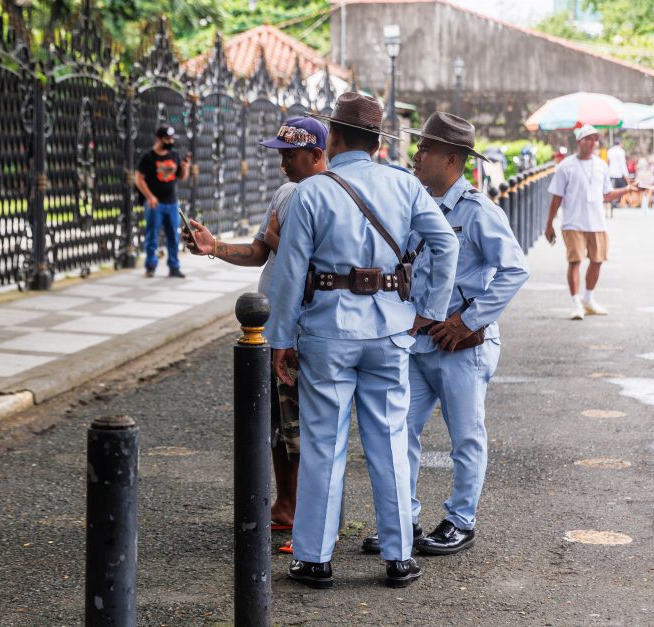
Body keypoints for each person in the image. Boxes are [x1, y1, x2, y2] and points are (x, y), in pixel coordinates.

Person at [267, 92, 459, 589]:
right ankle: (398, 557)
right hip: (390, 330)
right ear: (377, 141)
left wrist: (281, 339)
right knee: (391, 441)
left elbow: (289, 273)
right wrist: (429, 312)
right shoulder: (404, 185)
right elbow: (446, 242)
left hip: (328, 330)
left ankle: (314, 558)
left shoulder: (313, 191)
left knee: (323, 443)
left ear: (333, 137)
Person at [359, 112, 529, 557]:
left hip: (460, 344)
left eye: (426, 149)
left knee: (466, 436)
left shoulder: (477, 210)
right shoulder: (418, 204)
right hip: (419, 341)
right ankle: (403, 520)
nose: (417, 155)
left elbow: (514, 270)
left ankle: (460, 520)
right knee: (400, 430)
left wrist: (470, 321)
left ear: (452, 159)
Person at [182, 117, 327, 538]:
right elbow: (260, 251)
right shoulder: (285, 193)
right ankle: (285, 505)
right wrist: (216, 247)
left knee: (302, 426)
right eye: (279, 153)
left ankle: (307, 513)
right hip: (272, 325)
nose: (282, 162)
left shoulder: (332, 196)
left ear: (317, 154)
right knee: (278, 425)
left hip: (306, 326)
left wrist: (286, 243)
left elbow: (330, 266)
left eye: (290, 154)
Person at [544, 125, 634, 320]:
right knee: (574, 261)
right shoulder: (565, 166)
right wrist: (549, 223)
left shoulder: (601, 165)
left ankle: (588, 299)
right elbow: (556, 198)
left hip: (597, 222)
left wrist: (628, 190)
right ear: (579, 142)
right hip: (572, 222)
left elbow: (607, 195)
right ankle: (576, 303)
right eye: (589, 138)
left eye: (596, 139)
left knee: (597, 261)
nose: (593, 142)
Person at [134, 124, 191, 278]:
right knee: (152, 236)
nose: (171, 141)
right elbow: (138, 179)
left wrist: (185, 167)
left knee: (173, 235)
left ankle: (174, 266)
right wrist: (150, 196)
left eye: (172, 138)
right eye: (167, 138)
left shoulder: (174, 155)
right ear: (159, 139)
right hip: (155, 204)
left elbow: (182, 176)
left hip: (172, 203)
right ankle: (150, 266)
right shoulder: (148, 157)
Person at [607, 139, 629, 209]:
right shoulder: (621, 151)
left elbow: (608, 162)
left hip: (610, 173)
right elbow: (623, 164)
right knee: (623, 189)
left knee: (612, 189)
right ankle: (620, 203)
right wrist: (626, 175)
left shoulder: (610, 151)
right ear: (620, 143)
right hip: (618, 174)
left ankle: (613, 203)